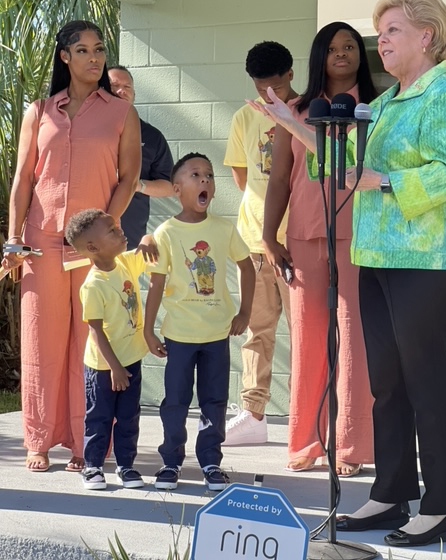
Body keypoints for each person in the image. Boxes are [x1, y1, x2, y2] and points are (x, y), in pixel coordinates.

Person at [253, 0, 446, 547]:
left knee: (425, 380)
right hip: (374, 257)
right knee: (387, 384)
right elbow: (342, 162)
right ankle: (391, 493)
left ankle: (441, 507)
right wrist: (290, 123)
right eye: (382, 31)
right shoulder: (383, 105)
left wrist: (387, 180)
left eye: (393, 30)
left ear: (427, 36)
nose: (383, 40)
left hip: (423, 260)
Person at [2, 20, 141, 472]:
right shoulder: (39, 111)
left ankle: (87, 442)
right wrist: (13, 239)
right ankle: (39, 439)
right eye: (83, 50)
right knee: (41, 342)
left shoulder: (121, 113)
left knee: (91, 341)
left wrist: (106, 231)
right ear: (65, 57)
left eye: (99, 49)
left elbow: (129, 178)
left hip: (93, 245)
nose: (94, 58)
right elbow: (23, 179)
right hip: (40, 242)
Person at [259, 24, 376, 475]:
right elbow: (279, 179)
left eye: (349, 46)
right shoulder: (295, 110)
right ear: (318, 57)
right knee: (308, 339)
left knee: (354, 340)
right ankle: (307, 441)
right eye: (332, 48)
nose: (341, 54)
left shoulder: (376, 107)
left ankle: (349, 446)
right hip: (304, 236)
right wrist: (269, 237)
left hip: (359, 234)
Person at [143, 152, 255, 491]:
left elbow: (246, 266)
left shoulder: (223, 228)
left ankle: (210, 461)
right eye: (195, 175)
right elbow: (157, 284)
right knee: (175, 401)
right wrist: (148, 330)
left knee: (214, 401)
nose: (204, 179)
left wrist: (245, 312)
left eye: (209, 175)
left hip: (216, 335)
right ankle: (171, 462)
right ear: (177, 189)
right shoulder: (166, 232)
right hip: (179, 335)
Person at [223, 41, 296, 445]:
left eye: (276, 87)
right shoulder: (244, 117)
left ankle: (311, 415)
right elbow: (243, 178)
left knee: (307, 332)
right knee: (257, 329)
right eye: (260, 87)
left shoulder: (306, 112)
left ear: (291, 75)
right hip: (254, 240)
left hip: (298, 243)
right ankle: (253, 415)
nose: (268, 95)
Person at [64, 209, 149, 490]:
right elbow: (96, 331)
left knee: (128, 418)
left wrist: (148, 239)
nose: (120, 231)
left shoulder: (125, 263)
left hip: (131, 361)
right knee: (99, 418)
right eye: (112, 230)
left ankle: (126, 466)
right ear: (92, 248)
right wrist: (115, 369)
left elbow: (150, 246)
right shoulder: (93, 286)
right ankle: (93, 467)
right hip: (104, 367)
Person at [108, 66, 174, 249]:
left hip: (130, 237)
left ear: (134, 95)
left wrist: (136, 185)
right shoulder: (85, 131)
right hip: (88, 235)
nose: (121, 91)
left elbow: (170, 187)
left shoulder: (152, 136)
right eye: (114, 86)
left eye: (127, 87)